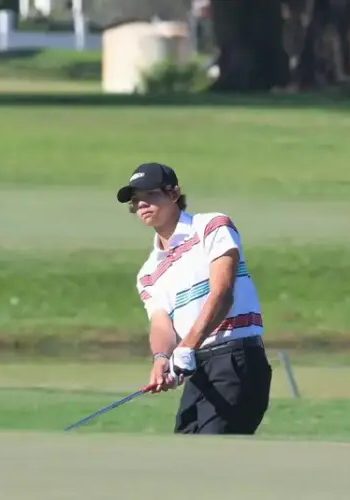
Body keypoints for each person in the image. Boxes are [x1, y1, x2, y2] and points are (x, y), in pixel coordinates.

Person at [116, 162, 273, 435]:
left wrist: (187, 346)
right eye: (136, 200)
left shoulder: (211, 227)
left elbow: (222, 293)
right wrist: (162, 358)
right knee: (185, 451)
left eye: (150, 195)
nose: (141, 205)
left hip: (236, 358)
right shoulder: (149, 273)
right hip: (197, 369)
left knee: (214, 457)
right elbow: (161, 323)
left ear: (174, 194)